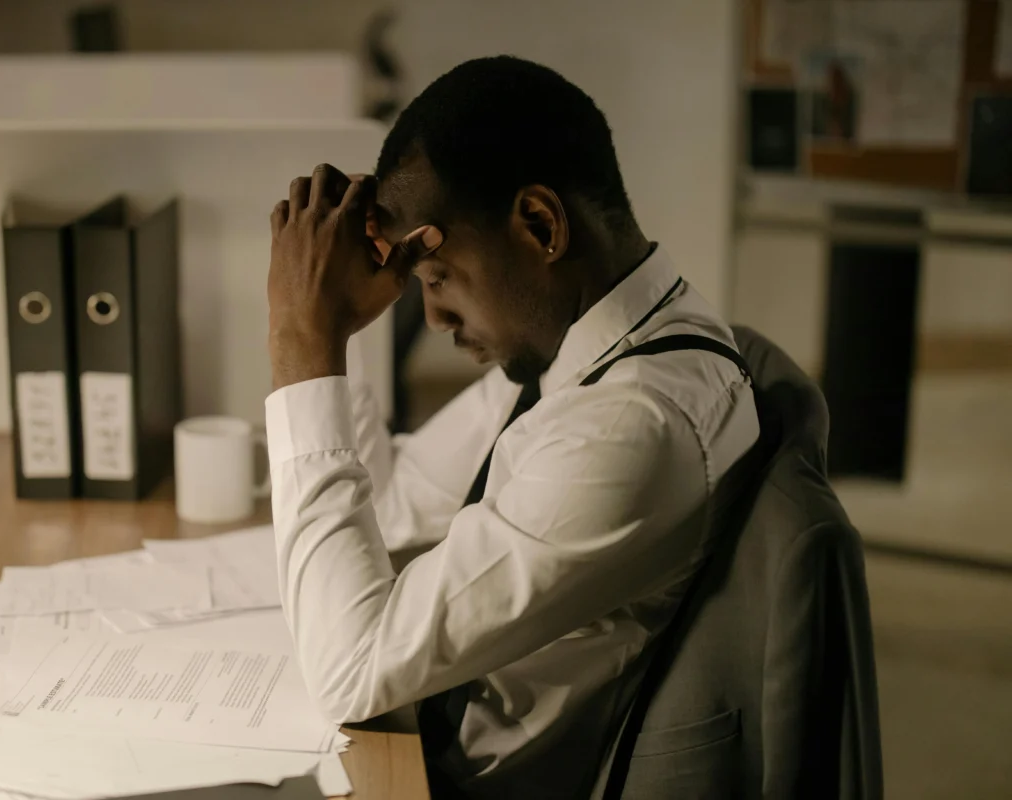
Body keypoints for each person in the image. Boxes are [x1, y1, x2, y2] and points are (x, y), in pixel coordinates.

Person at [264, 56, 759, 799]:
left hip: (446, 777)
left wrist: (300, 346)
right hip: (406, 731)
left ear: (539, 225)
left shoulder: (629, 424)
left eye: (437, 278)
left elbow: (353, 671)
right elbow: (393, 505)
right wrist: (337, 330)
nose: (431, 317)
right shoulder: (589, 349)